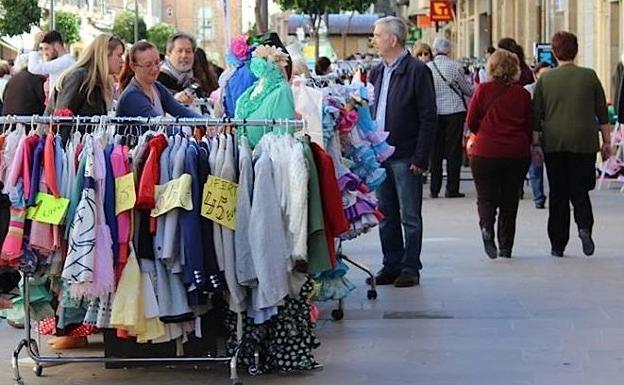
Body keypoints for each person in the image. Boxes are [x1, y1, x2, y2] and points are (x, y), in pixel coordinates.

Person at [368, 16, 437, 287]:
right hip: (380, 154)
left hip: (406, 153)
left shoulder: (417, 71)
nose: (373, 40)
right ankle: (391, 263)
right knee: (385, 213)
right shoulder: (377, 71)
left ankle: (410, 266)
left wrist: (421, 157)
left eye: (377, 35)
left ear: (393, 39)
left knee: (410, 215)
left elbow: (428, 117)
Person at [533, 31, 611, 258]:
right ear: (576, 51)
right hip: (584, 142)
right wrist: (607, 143)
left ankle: (558, 244)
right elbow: (602, 113)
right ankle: (584, 227)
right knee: (580, 190)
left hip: (555, 142)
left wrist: (536, 145)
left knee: (558, 193)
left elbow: (536, 116)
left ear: (554, 53)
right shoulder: (590, 76)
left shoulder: (545, 79)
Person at [466, 50, 532, 259]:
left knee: (485, 197)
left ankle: (487, 228)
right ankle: (506, 247)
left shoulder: (482, 90)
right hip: (515, 152)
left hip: (485, 152)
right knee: (510, 199)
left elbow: (471, 121)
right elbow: (529, 125)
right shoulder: (522, 94)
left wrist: (484, 133)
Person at [427, 36, 474, 198]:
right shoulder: (455, 67)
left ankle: (434, 188)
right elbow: (468, 90)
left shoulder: (428, 68)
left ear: (434, 50)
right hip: (454, 111)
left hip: (435, 112)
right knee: (453, 151)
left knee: (436, 151)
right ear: (448, 50)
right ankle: (452, 188)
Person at [116, 40, 201, 119]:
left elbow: (181, 111)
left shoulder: (157, 88)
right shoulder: (132, 96)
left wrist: (209, 122)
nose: (155, 69)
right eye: (148, 65)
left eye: (157, 63)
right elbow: (158, 125)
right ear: (133, 66)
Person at [524, 62, 552, 209]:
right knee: (535, 167)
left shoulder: (556, 91)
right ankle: (538, 197)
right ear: (536, 76)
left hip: (552, 133)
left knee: (555, 168)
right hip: (534, 132)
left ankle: (558, 197)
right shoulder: (528, 90)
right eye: (543, 75)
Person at [28, 30, 75, 100]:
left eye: (47, 48)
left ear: (56, 46)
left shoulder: (64, 61)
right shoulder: (66, 61)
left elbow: (33, 68)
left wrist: (36, 44)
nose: (45, 53)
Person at [158, 32, 198, 105]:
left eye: (188, 51)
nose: (184, 55)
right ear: (168, 53)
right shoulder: (158, 79)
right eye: (179, 51)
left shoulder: (194, 82)